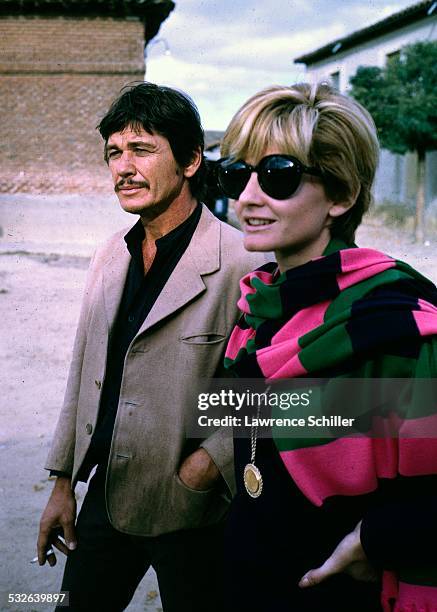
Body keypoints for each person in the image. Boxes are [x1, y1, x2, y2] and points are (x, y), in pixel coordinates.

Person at [36, 82, 265, 612]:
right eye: (114, 153)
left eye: (142, 149)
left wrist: (208, 465)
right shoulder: (108, 258)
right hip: (107, 499)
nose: (123, 167)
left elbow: (269, 392)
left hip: (195, 510)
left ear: (189, 160)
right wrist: (63, 482)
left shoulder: (243, 263)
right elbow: (84, 375)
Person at [218, 83, 437, 611]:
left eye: (277, 175)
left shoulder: (398, 325)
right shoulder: (258, 306)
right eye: (236, 174)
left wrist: (373, 538)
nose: (247, 197)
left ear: (339, 195)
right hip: (251, 578)